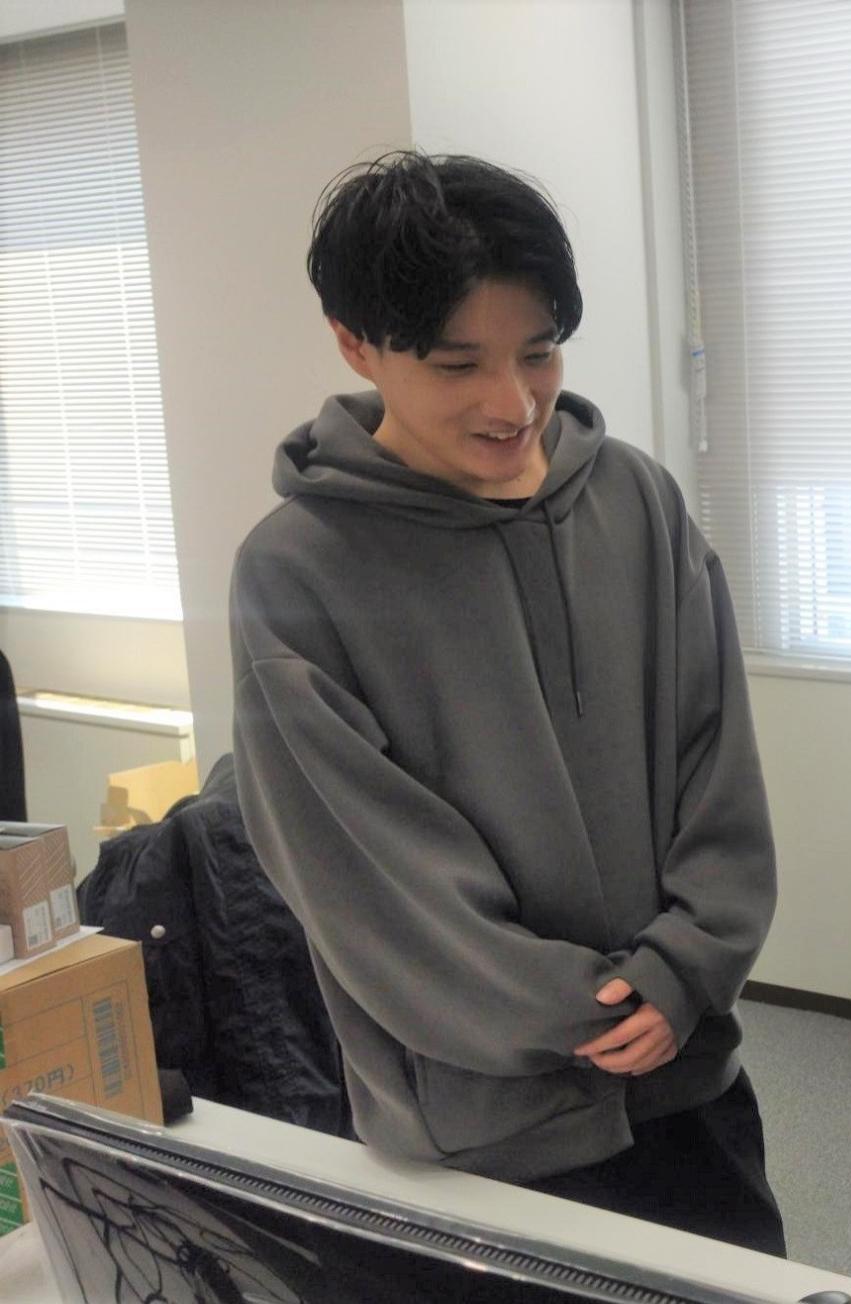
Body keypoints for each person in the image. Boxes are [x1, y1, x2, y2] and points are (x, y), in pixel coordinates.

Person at [230, 151, 784, 1254]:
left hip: (688, 1080)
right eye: (458, 365)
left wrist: (685, 968)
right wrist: (591, 1008)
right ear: (355, 344)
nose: (512, 401)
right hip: (483, 1132)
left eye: (538, 352)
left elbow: (716, 760)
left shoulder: (637, 500)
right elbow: (366, 875)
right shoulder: (298, 571)